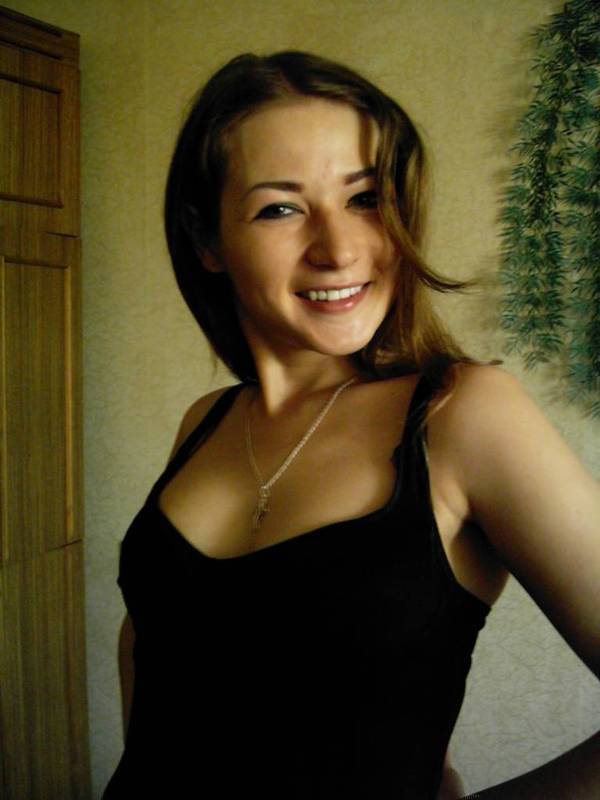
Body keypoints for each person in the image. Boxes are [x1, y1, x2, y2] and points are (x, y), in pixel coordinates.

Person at [103, 51, 600, 799]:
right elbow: (155, 638)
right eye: (280, 208)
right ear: (207, 241)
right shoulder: (205, 421)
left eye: (365, 198)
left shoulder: (464, 415)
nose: (338, 249)